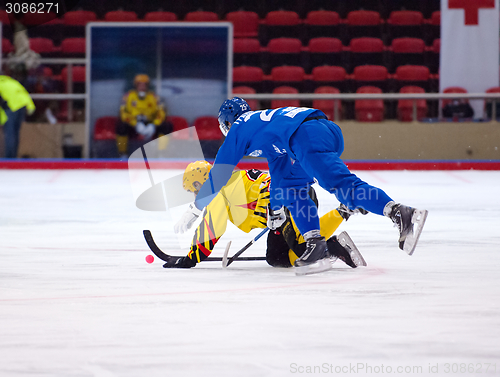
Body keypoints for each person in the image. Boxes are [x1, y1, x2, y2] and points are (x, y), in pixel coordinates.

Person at [175, 98, 428, 276]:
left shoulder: (239, 129)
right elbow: (279, 174)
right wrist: (275, 209)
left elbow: (218, 173)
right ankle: (314, 243)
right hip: (310, 133)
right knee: (292, 190)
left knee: (341, 185)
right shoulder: (262, 130)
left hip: (305, 135)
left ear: (227, 123)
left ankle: (399, 212)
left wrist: (195, 209)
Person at [165, 160, 366, 269]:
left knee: (303, 250)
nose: (195, 194)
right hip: (283, 209)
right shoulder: (229, 180)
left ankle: (338, 230)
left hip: (289, 204)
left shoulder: (219, 191)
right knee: (276, 258)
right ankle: (330, 236)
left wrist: (191, 259)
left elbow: (211, 228)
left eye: (194, 189)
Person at [117, 74, 172, 157]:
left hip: (150, 124)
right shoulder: (128, 97)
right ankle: (123, 154)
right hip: (134, 124)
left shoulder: (154, 97)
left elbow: (161, 113)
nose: (142, 87)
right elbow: (123, 113)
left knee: (166, 126)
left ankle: (162, 154)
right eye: (140, 84)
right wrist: (135, 124)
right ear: (136, 85)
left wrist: (154, 124)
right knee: (121, 126)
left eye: (144, 84)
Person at [0, 75, 36, 158]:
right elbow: (23, 92)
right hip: (22, 105)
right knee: (15, 133)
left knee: (10, 133)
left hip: (10, 106)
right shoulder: (10, 81)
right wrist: (30, 107)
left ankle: (9, 158)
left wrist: (5, 105)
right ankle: (13, 157)